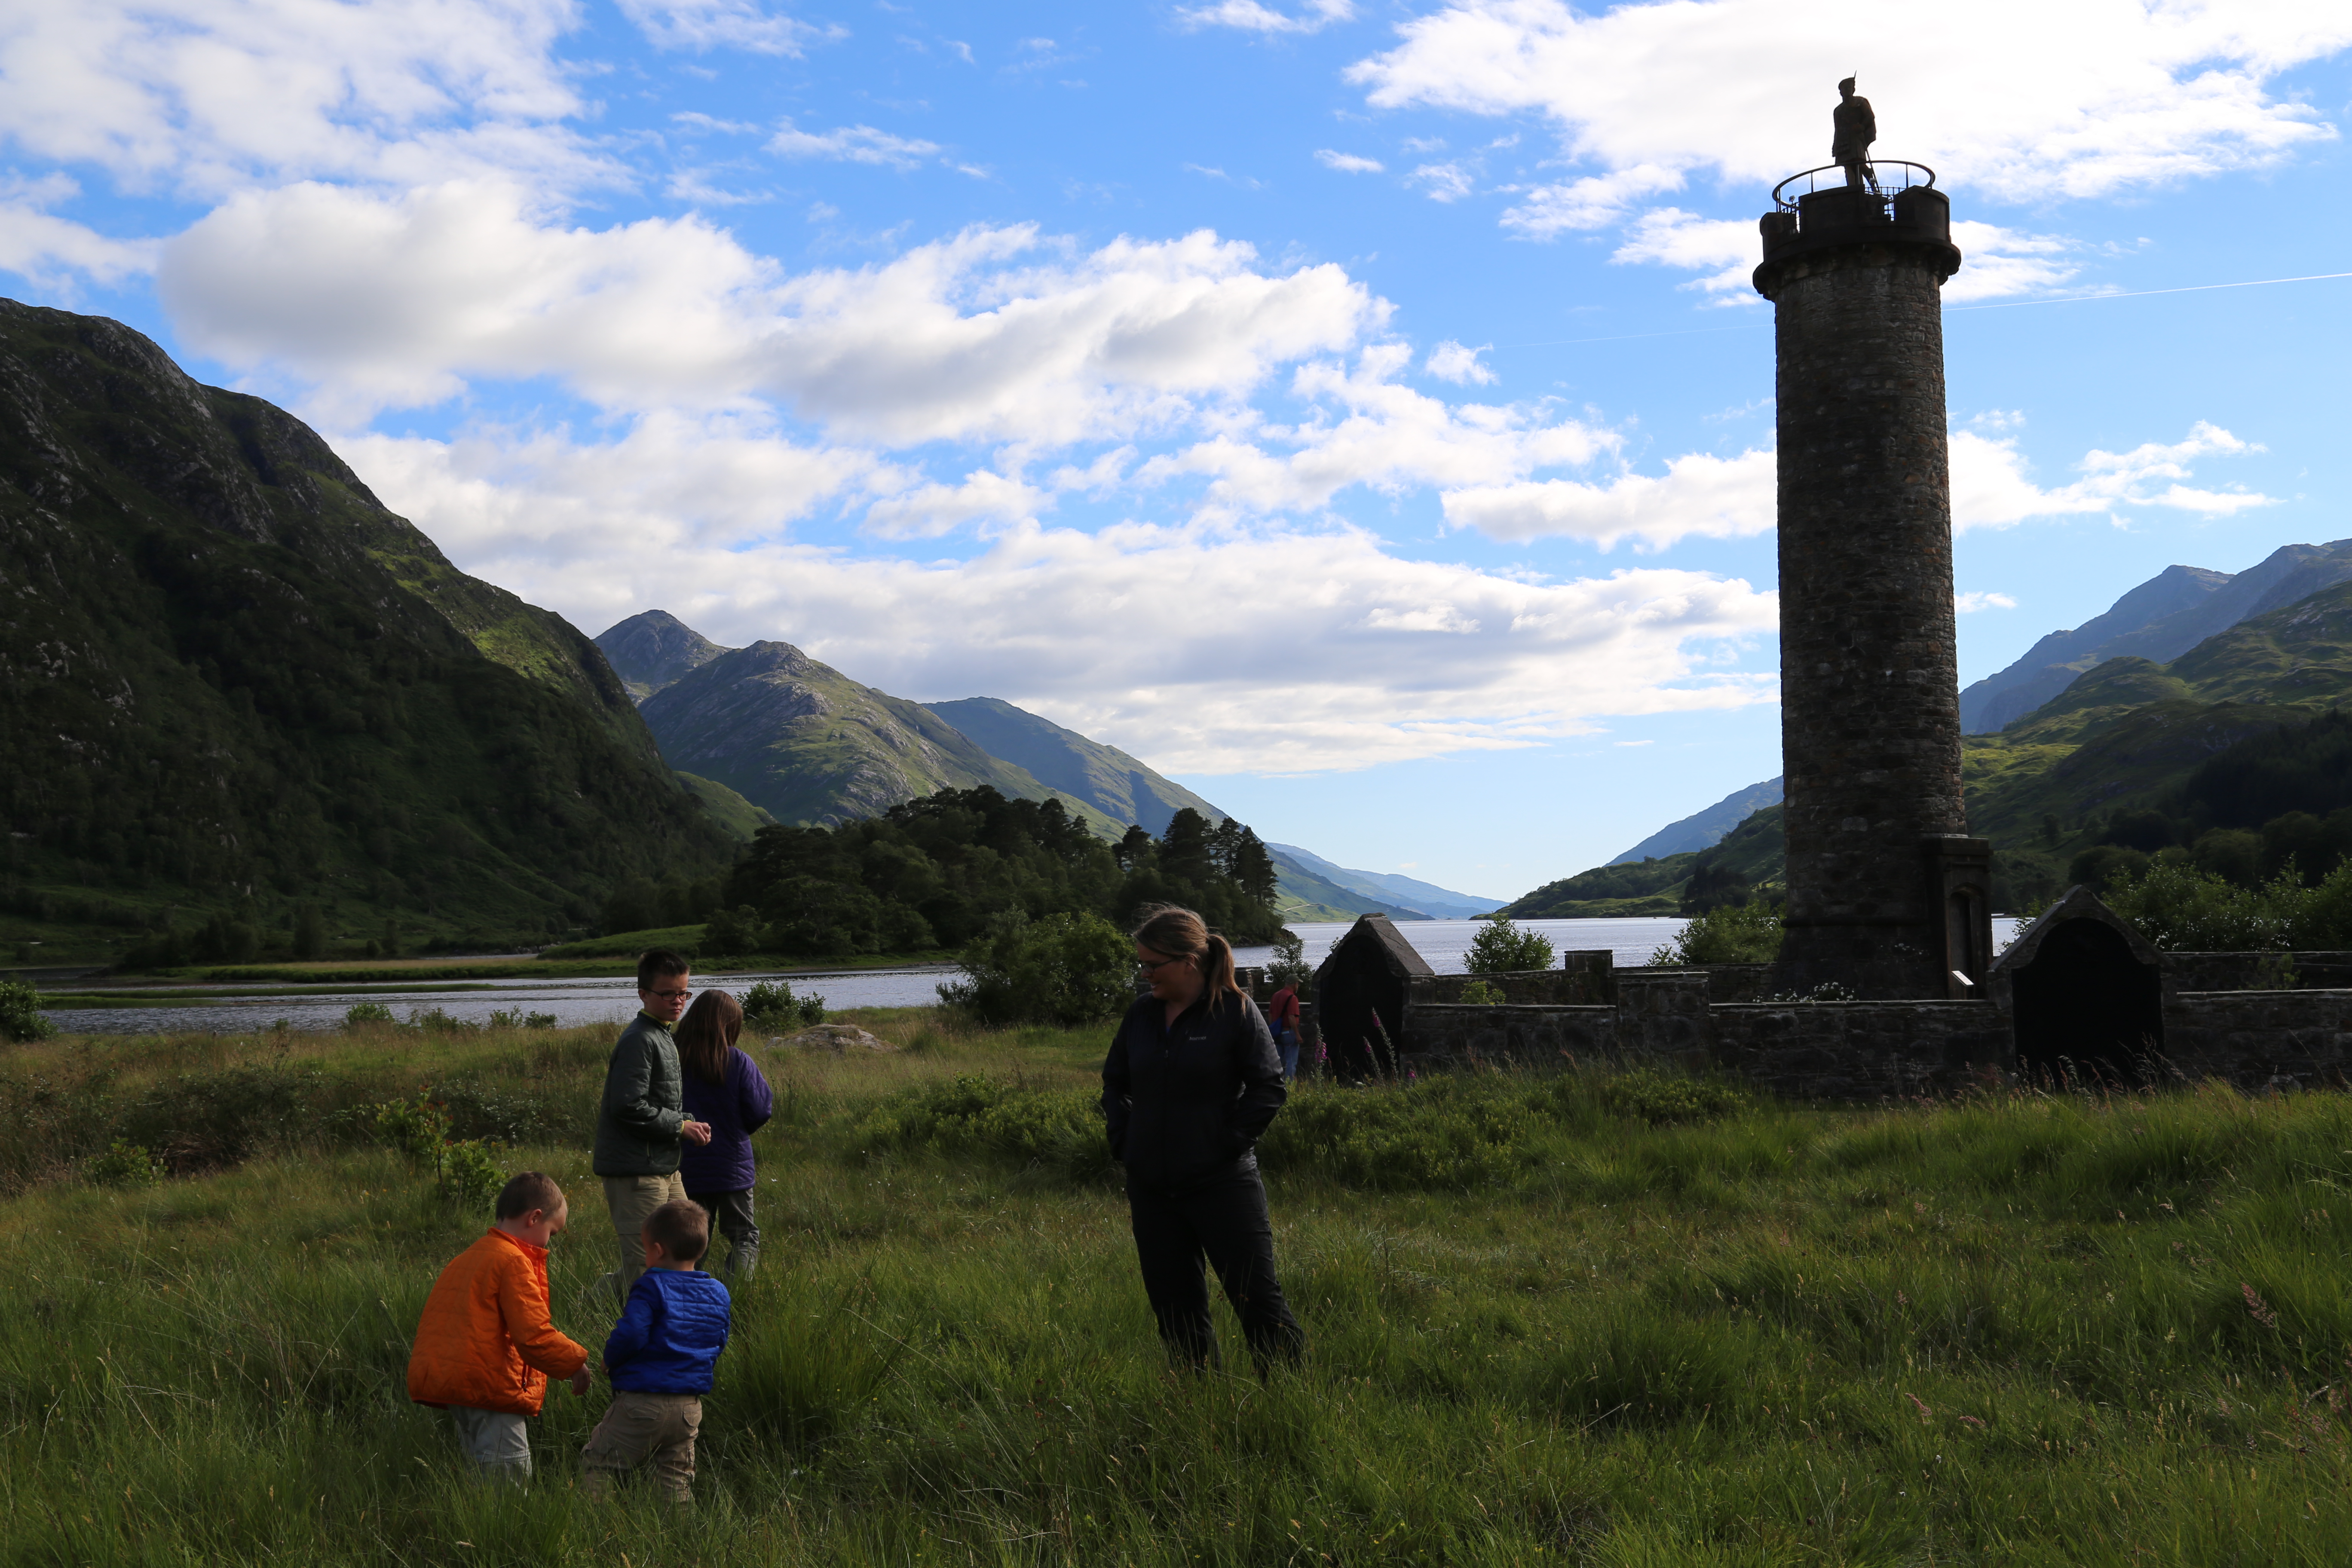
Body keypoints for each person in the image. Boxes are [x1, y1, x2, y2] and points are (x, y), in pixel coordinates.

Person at [1102, 904, 1306, 1375]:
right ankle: (1198, 1406)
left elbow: (1269, 1088)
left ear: (1188, 962)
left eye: (1152, 965)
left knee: (1258, 1301)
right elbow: (1115, 1082)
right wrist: (1125, 1141)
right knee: (1174, 1309)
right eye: (1142, 965)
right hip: (1152, 1187)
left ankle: (1292, 1404)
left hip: (1223, 1185)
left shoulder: (1234, 1011)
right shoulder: (1141, 1016)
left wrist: (1224, 1145)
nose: (1145, 974)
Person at [406, 1171, 593, 1482]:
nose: (550, 1243)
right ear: (534, 1218)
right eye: (553, 1232)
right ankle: (507, 1531)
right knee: (508, 1476)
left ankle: (476, 1529)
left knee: (478, 1474)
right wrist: (574, 1362)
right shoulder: (513, 1261)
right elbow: (533, 1335)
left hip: (458, 1386)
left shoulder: (467, 1257)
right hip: (490, 1385)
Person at [581, 1199, 732, 1506]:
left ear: (659, 1250)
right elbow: (719, 1339)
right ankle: (681, 1537)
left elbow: (633, 1332)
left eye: (647, 1248)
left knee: (601, 1463)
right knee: (676, 1476)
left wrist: (610, 1359)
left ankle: (591, 1529)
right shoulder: (718, 1291)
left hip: (642, 1401)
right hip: (689, 1407)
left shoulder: (651, 1285)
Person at [593, 949, 712, 1301]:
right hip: (636, 1172)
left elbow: (656, 1103)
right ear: (643, 993)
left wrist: (687, 1122)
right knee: (646, 1268)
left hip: (663, 1166)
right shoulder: (640, 1040)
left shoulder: (662, 1034)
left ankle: (591, 1302)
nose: (678, 1001)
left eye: (684, 993)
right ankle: (640, 1345)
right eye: (668, 994)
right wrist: (680, 1127)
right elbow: (628, 1106)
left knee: (685, 1249)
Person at [675, 988, 774, 1277]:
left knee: (692, 1242)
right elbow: (760, 1110)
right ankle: (736, 1298)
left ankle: (685, 1297)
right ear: (729, 1026)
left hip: (687, 1166)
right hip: (732, 1166)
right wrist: (737, 1132)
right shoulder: (738, 1061)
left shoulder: (674, 1060)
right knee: (743, 1236)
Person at [1264, 980, 1302, 1081]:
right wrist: (1297, 1035)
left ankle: (1275, 1083)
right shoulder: (1292, 998)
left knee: (1277, 1061)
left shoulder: (1275, 996)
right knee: (1291, 1062)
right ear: (1295, 984)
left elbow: (1270, 1015)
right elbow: (1291, 1017)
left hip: (1277, 1034)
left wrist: (1273, 1028)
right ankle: (1289, 1086)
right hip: (1288, 1032)